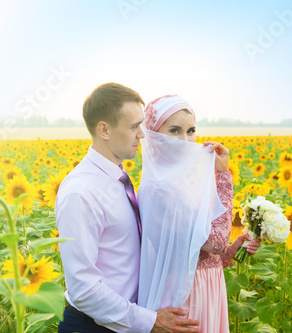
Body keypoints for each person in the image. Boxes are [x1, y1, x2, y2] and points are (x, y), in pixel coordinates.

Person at [55, 83, 200, 333]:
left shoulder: (117, 177)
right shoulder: (82, 192)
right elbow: (83, 289)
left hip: (121, 321)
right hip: (94, 325)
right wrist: (149, 321)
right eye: (133, 126)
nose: (142, 134)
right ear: (104, 130)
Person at [137, 95, 261, 333]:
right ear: (153, 135)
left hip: (206, 287)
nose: (186, 140)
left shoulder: (179, 182)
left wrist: (230, 251)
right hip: (187, 294)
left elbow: (199, 248)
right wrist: (224, 176)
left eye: (191, 131)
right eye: (175, 131)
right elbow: (215, 242)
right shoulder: (162, 190)